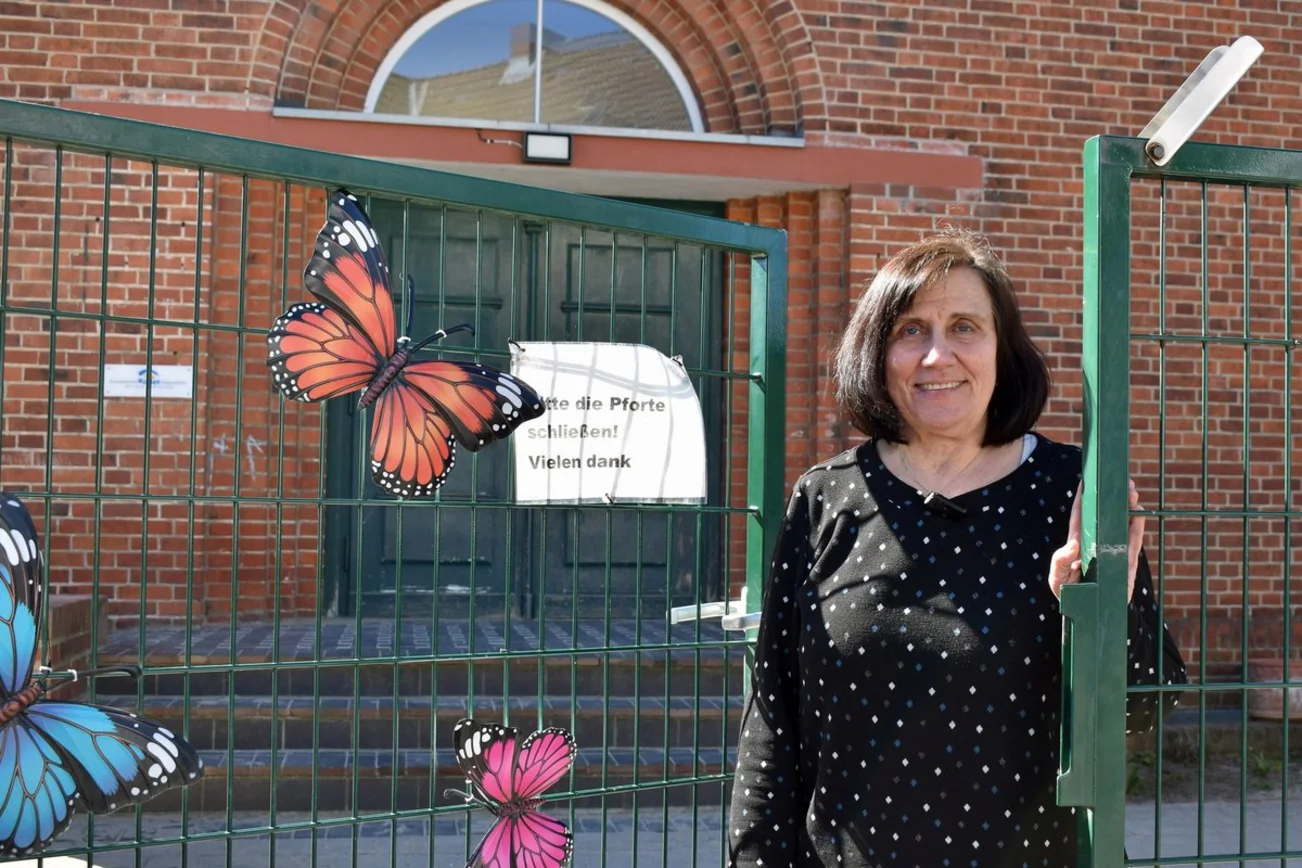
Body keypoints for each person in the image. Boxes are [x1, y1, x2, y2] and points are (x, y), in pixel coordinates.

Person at [726, 229, 1187, 868]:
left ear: (1003, 351)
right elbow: (772, 722)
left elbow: (1140, 713)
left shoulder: (1069, 493)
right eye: (910, 330)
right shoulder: (826, 496)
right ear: (878, 354)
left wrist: (1102, 608)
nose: (937, 355)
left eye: (965, 327)